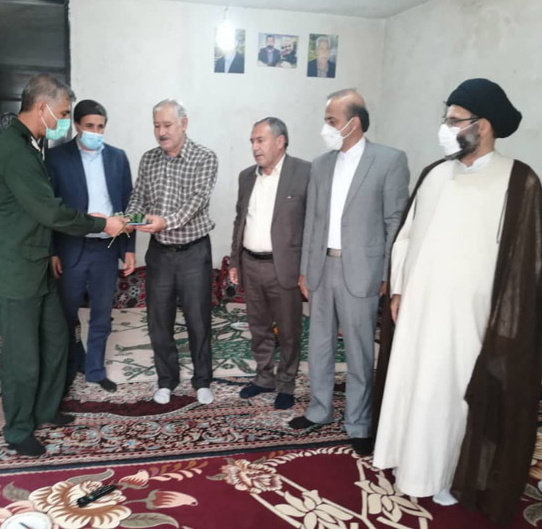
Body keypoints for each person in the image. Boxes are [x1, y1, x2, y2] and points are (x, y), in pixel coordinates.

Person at [372, 78, 542, 523]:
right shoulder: (434, 173)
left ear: (482, 126)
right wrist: (399, 288)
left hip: (468, 322)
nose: (445, 128)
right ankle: (407, 462)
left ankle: (446, 476)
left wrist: (504, 324)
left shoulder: (519, 180)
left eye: (454, 121)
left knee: (448, 398)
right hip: (417, 312)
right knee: (413, 388)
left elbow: (526, 262)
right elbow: (406, 237)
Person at [0, 74, 126, 457]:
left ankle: (46, 408)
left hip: (35, 266)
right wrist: (100, 224)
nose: (62, 121)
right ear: (42, 107)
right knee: (23, 357)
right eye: (61, 113)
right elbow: (49, 210)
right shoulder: (14, 151)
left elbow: (43, 208)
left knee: (57, 338)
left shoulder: (29, 145)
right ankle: (18, 429)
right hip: (12, 270)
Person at [290, 89, 409, 457]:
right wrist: (304, 270)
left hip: (362, 270)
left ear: (353, 123)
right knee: (319, 344)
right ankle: (319, 409)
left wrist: (389, 274)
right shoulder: (320, 164)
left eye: (332, 120)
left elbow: (395, 222)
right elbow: (312, 221)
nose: (326, 127)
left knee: (359, 349)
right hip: (321, 267)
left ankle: (358, 422)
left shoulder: (389, 160)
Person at [126, 99, 217, 405]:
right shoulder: (149, 159)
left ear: (184, 124)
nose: (161, 132)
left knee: (198, 319)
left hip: (193, 252)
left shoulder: (204, 157)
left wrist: (165, 222)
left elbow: (197, 201)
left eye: (167, 125)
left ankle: (202, 380)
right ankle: (166, 380)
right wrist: (131, 219)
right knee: (158, 320)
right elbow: (138, 197)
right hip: (160, 254)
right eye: (156, 126)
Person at [46, 99, 135, 394]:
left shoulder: (118, 158)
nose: (95, 132)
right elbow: (49, 209)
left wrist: (129, 249)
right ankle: (70, 365)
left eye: (100, 127)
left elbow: (128, 205)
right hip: (71, 247)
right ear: (76, 126)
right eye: (89, 126)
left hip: (106, 249)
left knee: (101, 315)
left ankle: (95, 370)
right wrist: (52, 251)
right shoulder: (57, 158)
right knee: (66, 315)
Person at [229, 117, 310, 410]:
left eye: (260, 140)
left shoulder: (304, 172)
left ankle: (286, 383)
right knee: (259, 327)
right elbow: (240, 219)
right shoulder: (246, 177)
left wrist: (306, 270)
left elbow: (313, 224)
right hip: (251, 264)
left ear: (280, 141)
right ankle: (264, 377)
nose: (255, 147)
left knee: (288, 330)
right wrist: (235, 260)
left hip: (284, 266)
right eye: (252, 141)